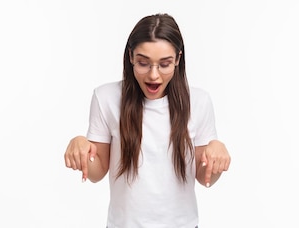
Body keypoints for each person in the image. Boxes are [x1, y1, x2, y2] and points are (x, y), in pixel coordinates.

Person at [63, 13, 231, 228]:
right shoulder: (105, 97)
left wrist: (217, 157)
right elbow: (97, 173)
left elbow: (204, 178)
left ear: (178, 59)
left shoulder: (198, 101)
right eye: (143, 63)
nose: (154, 75)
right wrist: (81, 147)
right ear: (131, 56)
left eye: (164, 64)